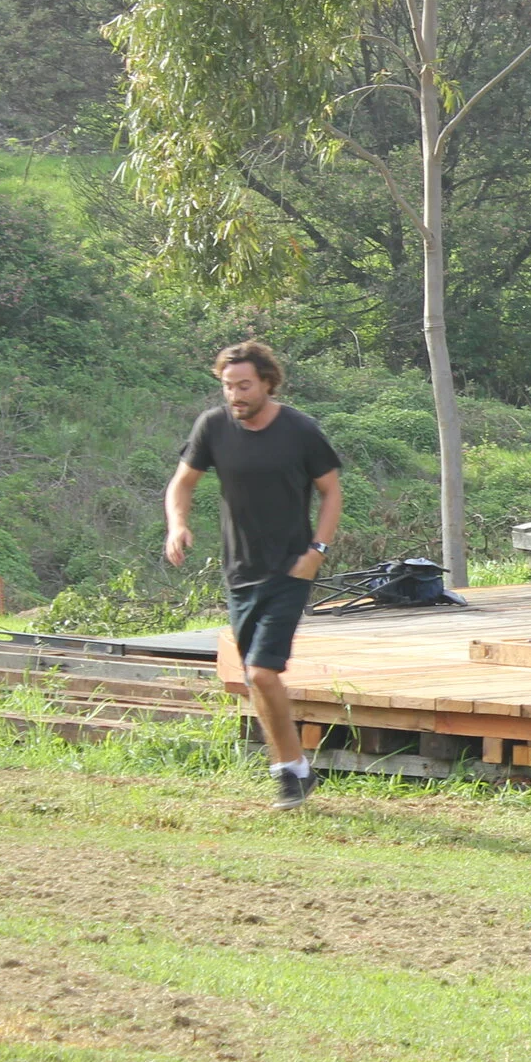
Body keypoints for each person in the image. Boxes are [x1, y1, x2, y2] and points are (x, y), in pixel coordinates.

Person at [164, 341, 344, 809]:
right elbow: (182, 483)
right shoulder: (213, 427)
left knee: (263, 672)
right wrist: (178, 525)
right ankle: (295, 769)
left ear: (267, 382)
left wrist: (316, 551)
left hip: (290, 568)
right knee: (252, 675)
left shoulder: (300, 430)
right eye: (228, 387)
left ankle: (288, 771)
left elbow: (330, 492)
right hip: (239, 570)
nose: (235, 396)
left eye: (244, 386)